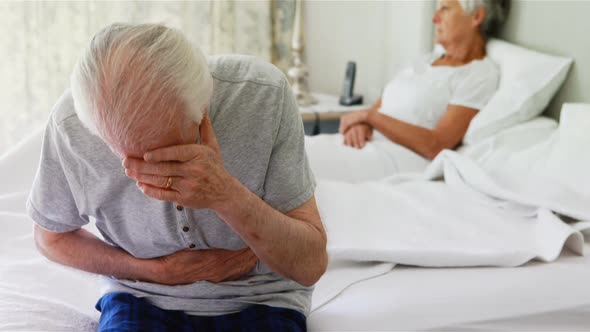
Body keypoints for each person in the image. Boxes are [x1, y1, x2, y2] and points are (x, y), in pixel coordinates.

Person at [27, 23, 327, 331]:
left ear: (202, 109)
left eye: (170, 156)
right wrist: (154, 271)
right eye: (128, 160)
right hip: (141, 295)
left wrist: (224, 193)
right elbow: (50, 237)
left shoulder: (263, 95)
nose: (153, 179)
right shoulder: (70, 126)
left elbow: (311, 266)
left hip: (262, 297)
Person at [305, 0, 510, 182]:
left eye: (445, 9)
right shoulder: (427, 61)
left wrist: (369, 117)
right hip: (363, 143)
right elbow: (382, 106)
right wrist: (362, 124)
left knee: (292, 172)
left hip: (395, 158)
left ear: (476, 16)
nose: (434, 18)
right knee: (289, 153)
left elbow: (436, 144)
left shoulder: (479, 74)